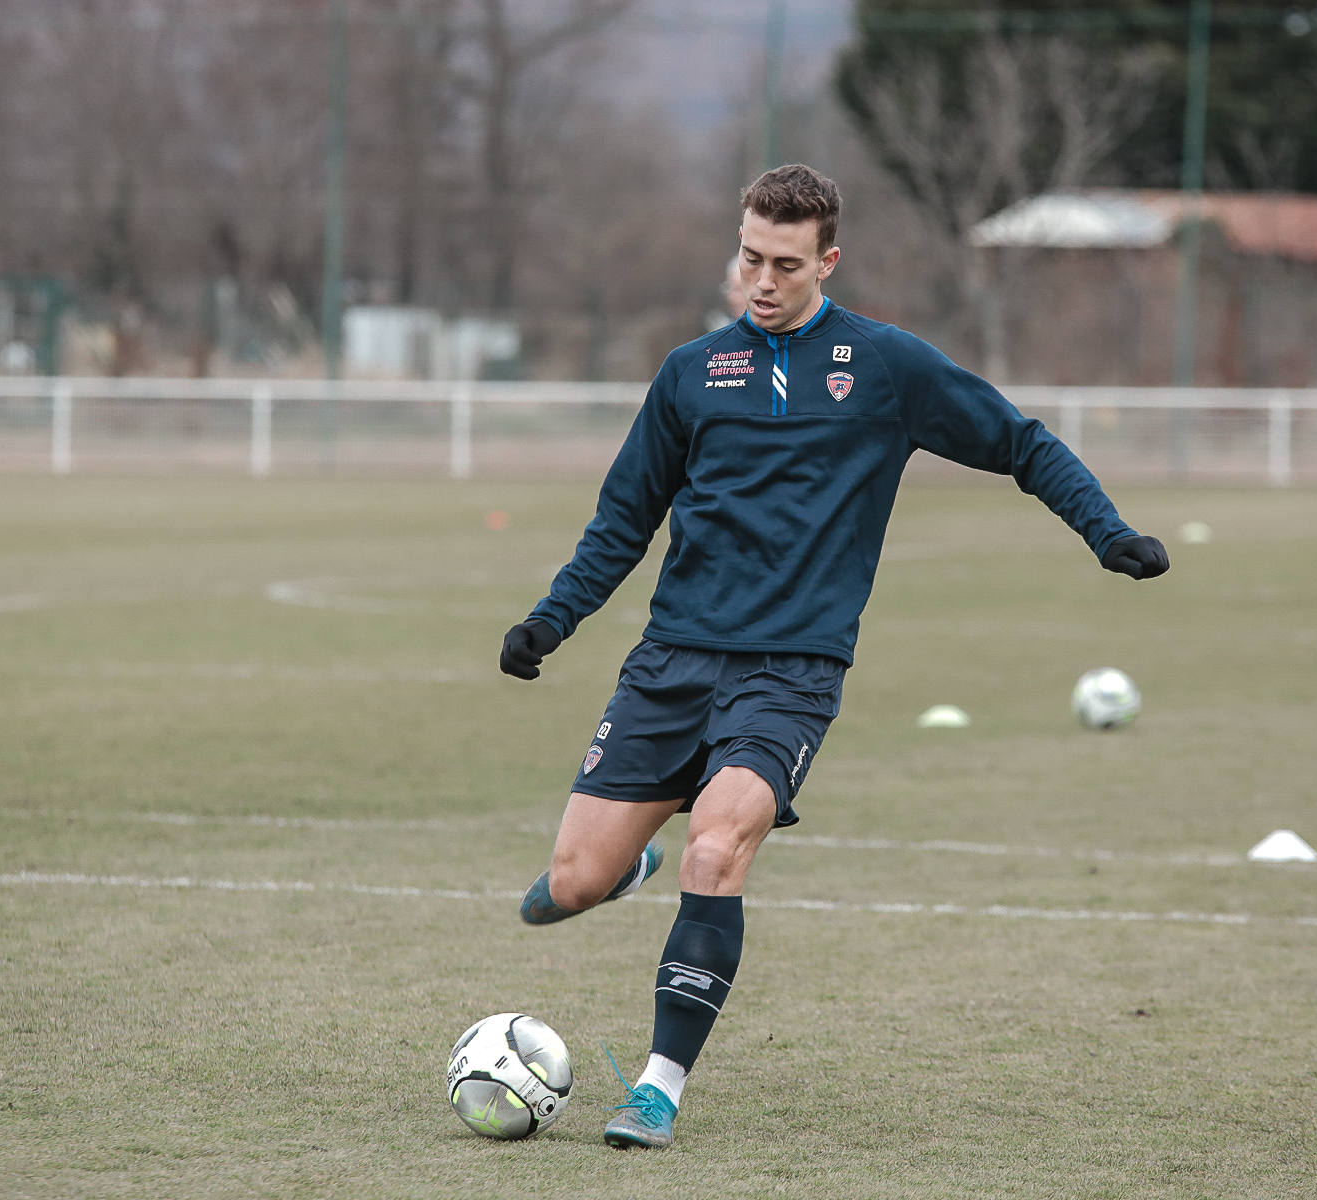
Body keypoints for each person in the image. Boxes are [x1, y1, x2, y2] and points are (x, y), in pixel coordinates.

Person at [499, 164, 1169, 1150]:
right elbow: (621, 523)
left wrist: (1105, 532)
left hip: (790, 672)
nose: (760, 280)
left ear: (826, 260)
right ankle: (619, 868)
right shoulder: (692, 373)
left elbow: (1020, 444)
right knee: (568, 886)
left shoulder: (885, 366)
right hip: (671, 663)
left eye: (782, 263)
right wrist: (551, 621)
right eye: (747, 258)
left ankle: (657, 1086)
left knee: (718, 846)